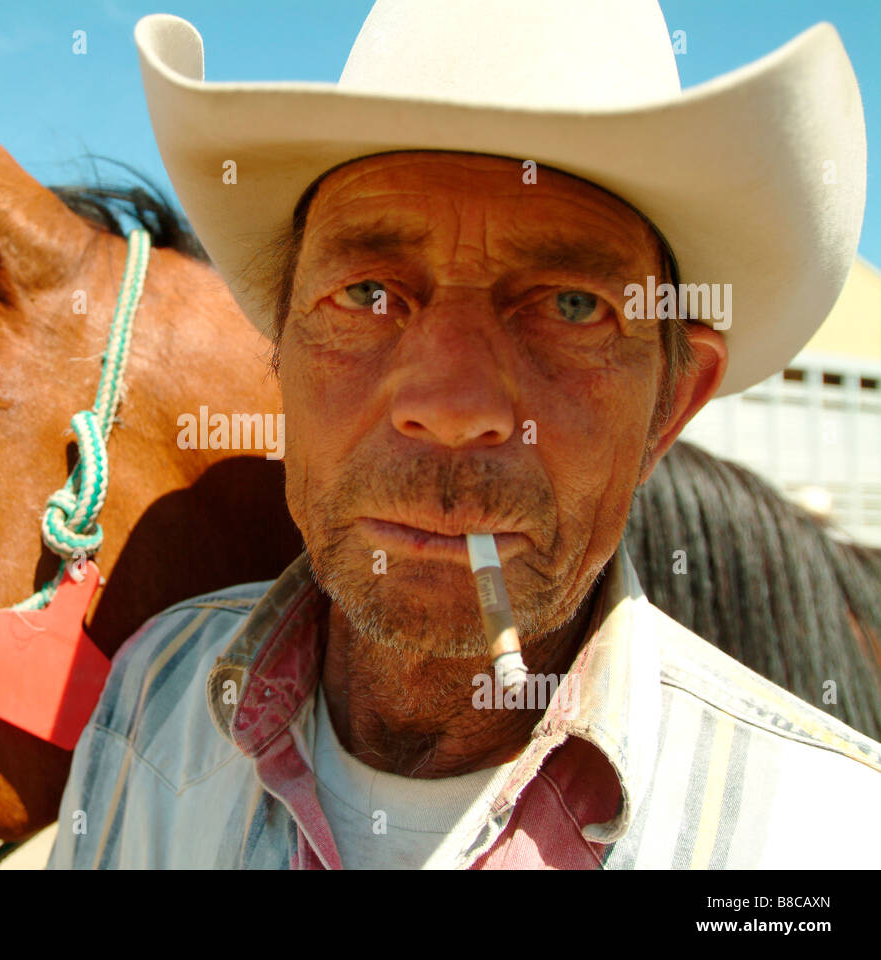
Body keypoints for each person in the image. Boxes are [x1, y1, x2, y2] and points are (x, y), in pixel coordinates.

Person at [48, 0, 881, 868]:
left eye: (572, 305)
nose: (449, 407)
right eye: (367, 294)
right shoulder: (151, 701)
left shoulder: (830, 839)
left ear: (669, 407)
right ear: (281, 353)